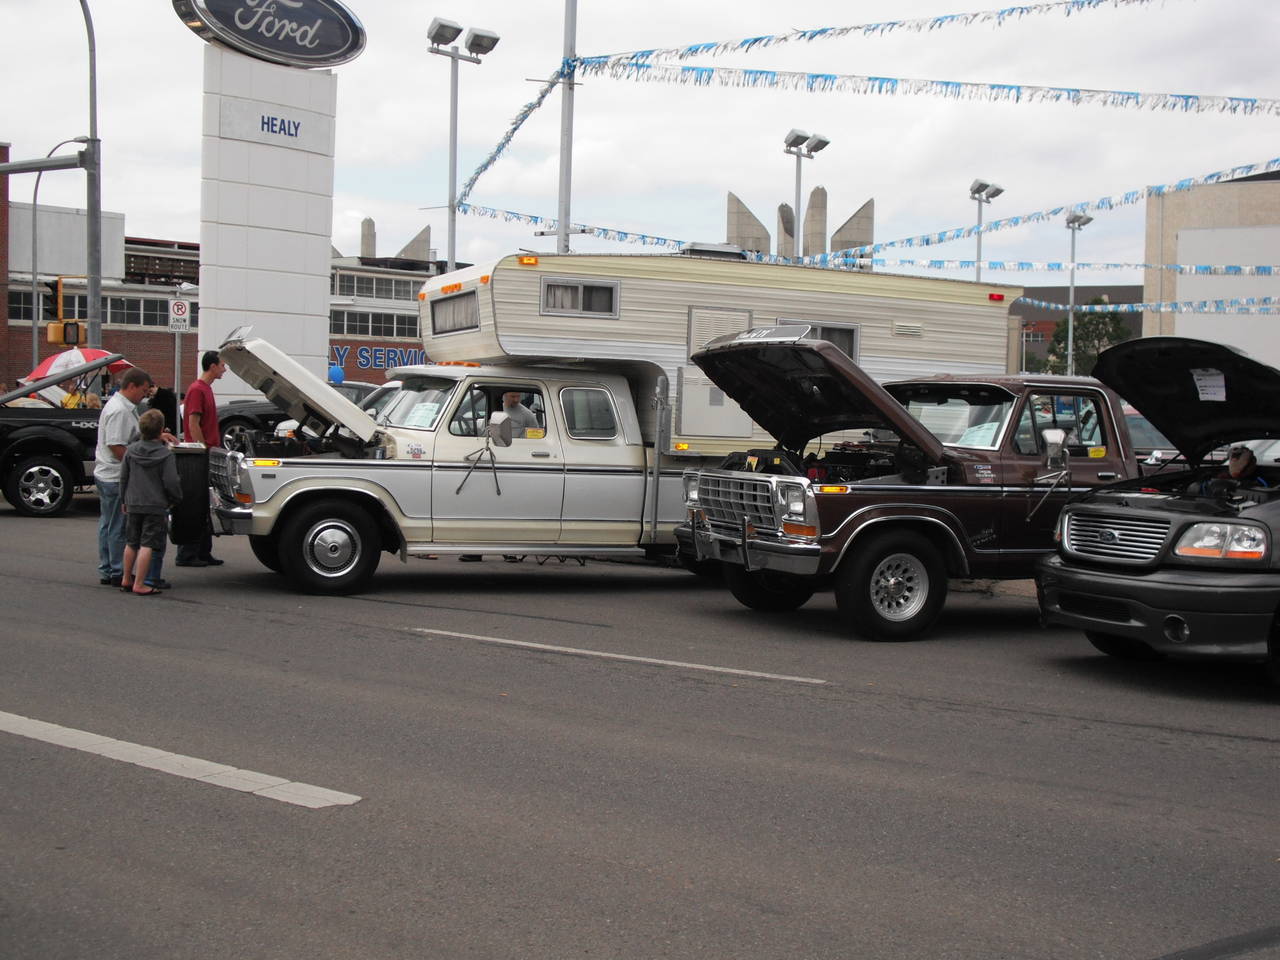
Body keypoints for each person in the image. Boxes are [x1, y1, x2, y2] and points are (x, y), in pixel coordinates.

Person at [94, 368, 158, 585]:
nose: (144, 395)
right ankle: (117, 570)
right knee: (118, 526)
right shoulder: (120, 410)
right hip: (113, 475)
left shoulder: (121, 406)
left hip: (106, 473)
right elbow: (116, 445)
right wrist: (134, 468)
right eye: (143, 390)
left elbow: (128, 437)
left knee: (107, 523)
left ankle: (107, 567)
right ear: (131, 386)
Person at [119, 410, 182, 596]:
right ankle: (140, 583)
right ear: (161, 430)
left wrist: (124, 499)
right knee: (148, 543)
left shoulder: (130, 451)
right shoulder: (165, 455)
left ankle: (125, 579)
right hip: (155, 504)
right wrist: (175, 499)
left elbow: (124, 477)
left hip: (133, 501)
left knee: (131, 543)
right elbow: (171, 481)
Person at [176, 350, 227, 567]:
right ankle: (187, 553)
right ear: (212, 366)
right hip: (199, 455)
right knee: (194, 504)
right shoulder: (197, 390)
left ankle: (204, 551)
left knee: (206, 504)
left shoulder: (206, 389)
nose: (225, 369)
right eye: (222, 365)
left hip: (208, 452)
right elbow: (192, 423)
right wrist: (202, 449)